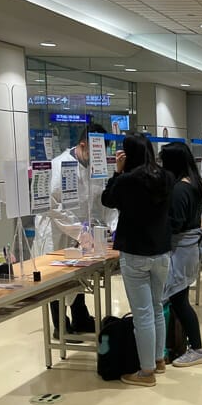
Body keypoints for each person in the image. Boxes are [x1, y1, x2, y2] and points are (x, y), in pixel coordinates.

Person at [101, 133, 174, 387]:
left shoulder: (128, 181)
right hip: (162, 252)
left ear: (127, 155)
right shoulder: (166, 178)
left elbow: (107, 199)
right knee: (156, 308)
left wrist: (117, 172)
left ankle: (146, 372)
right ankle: (159, 360)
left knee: (142, 313)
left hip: (135, 253)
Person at [35, 123, 118, 338]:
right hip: (58, 231)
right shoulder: (59, 165)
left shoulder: (96, 166)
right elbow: (52, 205)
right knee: (57, 277)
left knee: (80, 275)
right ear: (83, 145)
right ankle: (59, 325)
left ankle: (81, 318)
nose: (98, 157)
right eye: (95, 151)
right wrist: (79, 231)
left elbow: (104, 201)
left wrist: (111, 228)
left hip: (84, 232)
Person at [160, 142, 202, 368]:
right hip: (188, 248)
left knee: (180, 301)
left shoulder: (180, 188)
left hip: (180, 249)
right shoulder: (196, 183)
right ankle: (181, 345)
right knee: (180, 299)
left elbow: (175, 224)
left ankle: (197, 348)